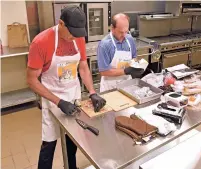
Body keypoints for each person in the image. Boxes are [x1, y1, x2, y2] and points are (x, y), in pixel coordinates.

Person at [26, 5, 106, 169]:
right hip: (52, 96)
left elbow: (83, 66)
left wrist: (92, 92)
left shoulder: (77, 37)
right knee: (49, 142)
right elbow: (32, 80)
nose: (74, 37)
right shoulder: (41, 42)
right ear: (61, 24)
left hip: (74, 94)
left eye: (77, 34)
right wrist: (59, 101)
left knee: (72, 139)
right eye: (71, 33)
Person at [97, 13, 145, 92]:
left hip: (128, 83)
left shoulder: (129, 39)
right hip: (110, 86)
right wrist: (126, 71)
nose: (124, 35)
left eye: (126, 31)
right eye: (121, 32)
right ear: (112, 28)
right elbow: (104, 71)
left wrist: (136, 67)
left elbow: (134, 57)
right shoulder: (104, 45)